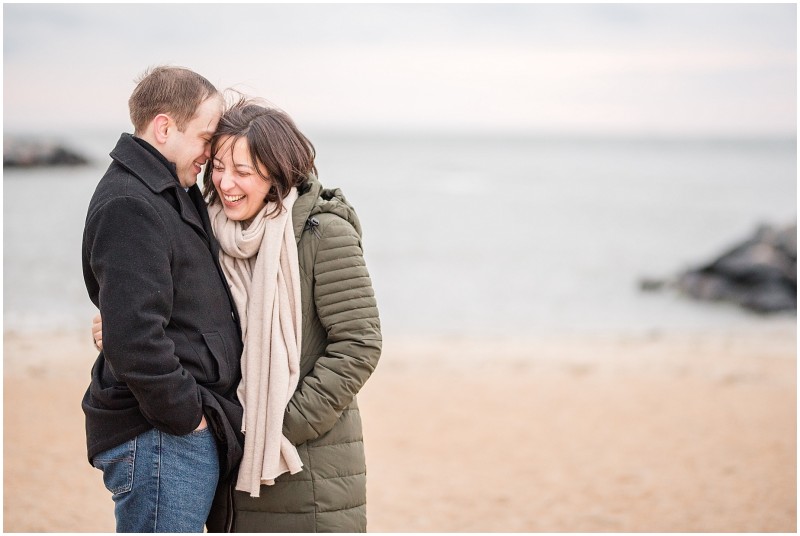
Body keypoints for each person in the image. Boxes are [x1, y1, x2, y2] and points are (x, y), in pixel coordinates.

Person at [94, 96, 382, 532]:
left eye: (243, 172)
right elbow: (189, 323)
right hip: (232, 461)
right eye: (219, 168)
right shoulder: (208, 230)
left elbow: (359, 345)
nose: (226, 184)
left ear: (277, 174)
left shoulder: (324, 233)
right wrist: (119, 325)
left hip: (303, 464)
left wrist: (275, 427)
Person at [81, 66, 245, 533]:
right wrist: (186, 416)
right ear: (165, 127)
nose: (210, 153)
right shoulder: (131, 203)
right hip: (161, 435)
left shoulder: (168, 192)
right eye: (206, 137)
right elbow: (135, 337)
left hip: (174, 433)